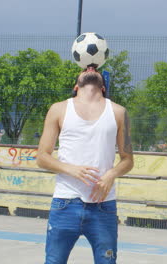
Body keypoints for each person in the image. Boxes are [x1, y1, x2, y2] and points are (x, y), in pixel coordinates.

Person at [37, 65, 134, 264]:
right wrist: (70, 168)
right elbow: (42, 157)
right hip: (65, 202)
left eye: (95, 68)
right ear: (76, 85)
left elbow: (128, 160)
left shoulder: (118, 112)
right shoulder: (59, 109)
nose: (90, 68)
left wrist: (111, 174)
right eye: (86, 68)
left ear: (104, 87)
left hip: (103, 206)